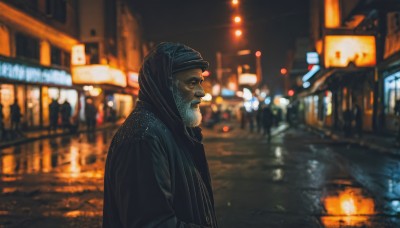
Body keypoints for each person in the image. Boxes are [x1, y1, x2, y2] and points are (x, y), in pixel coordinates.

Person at [103, 42, 218, 227]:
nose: (201, 92)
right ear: (166, 86)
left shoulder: (171, 128)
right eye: (192, 82)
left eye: (200, 82)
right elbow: (152, 223)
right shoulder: (143, 138)